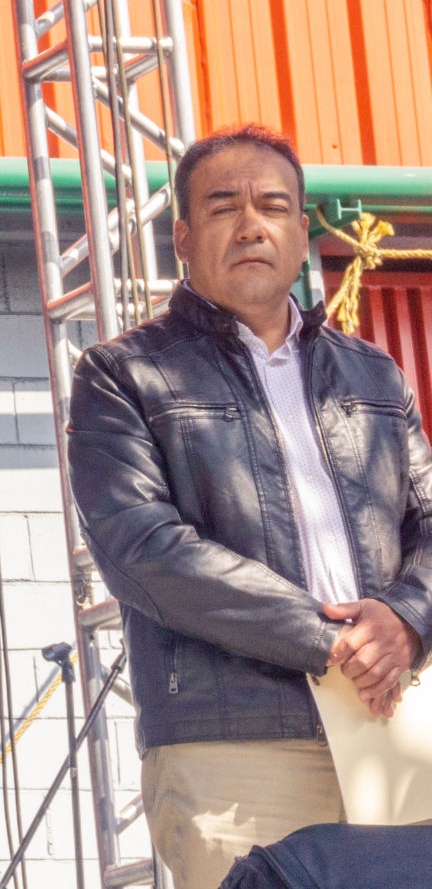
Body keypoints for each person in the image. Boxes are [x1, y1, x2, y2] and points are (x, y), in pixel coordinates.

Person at [69, 125, 432, 889]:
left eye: (273, 206)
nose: (250, 225)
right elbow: (143, 550)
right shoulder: (122, 375)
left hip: (394, 724)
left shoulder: (374, 374)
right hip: (232, 739)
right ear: (182, 239)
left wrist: (405, 619)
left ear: (301, 233)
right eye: (223, 206)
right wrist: (333, 639)